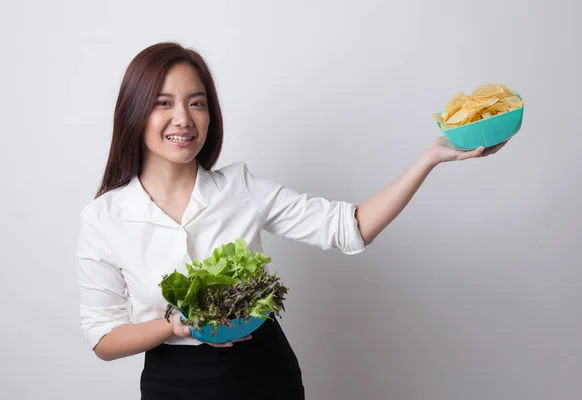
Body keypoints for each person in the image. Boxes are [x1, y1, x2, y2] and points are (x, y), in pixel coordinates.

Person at [75, 42, 506, 400]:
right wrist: (173, 326)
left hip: (263, 374)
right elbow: (103, 339)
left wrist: (429, 158)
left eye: (197, 103)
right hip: (174, 384)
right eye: (163, 103)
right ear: (135, 112)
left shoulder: (239, 187)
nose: (183, 119)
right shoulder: (104, 218)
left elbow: (350, 227)